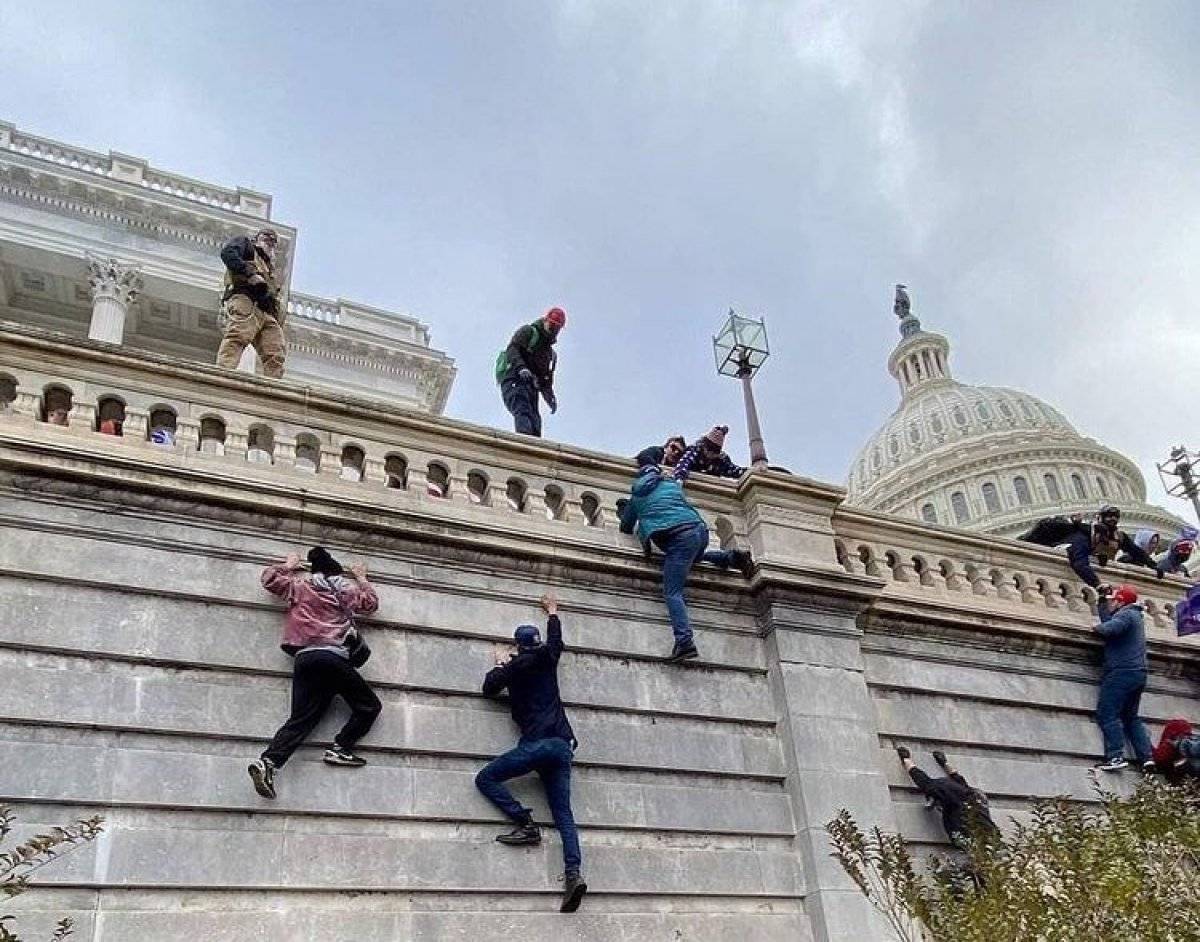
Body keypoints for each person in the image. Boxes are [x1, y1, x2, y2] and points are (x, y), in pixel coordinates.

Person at [475, 592, 587, 914]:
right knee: (564, 815)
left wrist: (500, 662)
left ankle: (525, 822)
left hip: (536, 745)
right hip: (562, 748)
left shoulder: (515, 666)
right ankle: (573, 875)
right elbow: (556, 640)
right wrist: (552, 612)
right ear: (536, 642)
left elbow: (488, 688)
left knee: (486, 778)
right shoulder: (548, 657)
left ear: (518, 645)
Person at [248, 547, 381, 800]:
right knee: (368, 706)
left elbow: (269, 579)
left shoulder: (299, 587)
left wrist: (288, 564)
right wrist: (362, 577)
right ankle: (341, 747)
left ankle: (269, 762)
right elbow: (371, 603)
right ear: (337, 572)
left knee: (303, 718)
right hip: (332, 657)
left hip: (304, 659)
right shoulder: (345, 591)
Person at [619, 428, 754, 661]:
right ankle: (733, 558)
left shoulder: (637, 495)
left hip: (680, 538)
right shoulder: (670, 484)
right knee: (688, 558)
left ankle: (684, 641)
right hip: (698, 531)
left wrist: (627, 512)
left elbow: (624, 527)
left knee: (673, 591)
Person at [1091, 584, 1154, 773]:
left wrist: (1097, 628)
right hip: (1138, 673)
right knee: (1130, 716)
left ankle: (1115, 756)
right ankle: (1146, 757)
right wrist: (1102, 601)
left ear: (1121, 601)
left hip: (1122, 671)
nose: (1112, 604)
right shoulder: (1134, 615)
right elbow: (1112, 619)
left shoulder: (1127, 615)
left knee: (1107, 713)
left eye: (1113, 600)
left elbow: (1111, 628)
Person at [1018, 505, 1159, 587]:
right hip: (1061, 553)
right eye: (1109, 516)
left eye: (1115, 516)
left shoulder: (1119, 537)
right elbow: (1079, 563)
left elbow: (1135, 551)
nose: (1113, 519)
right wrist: (1097, 584)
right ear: (1100, 518)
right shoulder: (1084, 534)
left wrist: (1153, 565)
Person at [895, 746, 1000, 849]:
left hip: (975, 842)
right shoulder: (967, 791)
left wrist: (906, 759)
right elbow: (955, 775)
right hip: (992, 838)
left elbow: (920, 778)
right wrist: (944, 762)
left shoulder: (937, 790)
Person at [216, 228, 285, 378]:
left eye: (273, 241)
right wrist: (250, 274)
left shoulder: (270, 269)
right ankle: (222, 375)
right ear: (257, 238)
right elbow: (228, 254)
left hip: (266, 312)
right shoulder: (246, 245)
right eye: (267, 237)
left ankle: (273, 389)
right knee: (237, 337)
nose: (270, 242)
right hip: (246, 299)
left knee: (276, 351)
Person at [495, 307, 565, 437]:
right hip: (514, 379)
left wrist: (550, 397)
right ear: (546, 320)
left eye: (557, 328)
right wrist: (522, 368)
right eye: (552, 325)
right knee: (522, 410)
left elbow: (545, 379)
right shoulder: (528, 332)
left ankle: (534, 445)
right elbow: (513, 349)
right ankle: (524, 444)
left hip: (531, 386)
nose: (554, 330)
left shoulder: (549, 354)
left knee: (535, 420)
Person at [636, 429, 746, 480]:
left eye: (679, 452)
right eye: (673, 448)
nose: (675, 453)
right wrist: (660, 472)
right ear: (666, 447)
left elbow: (734, 471)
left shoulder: (721, 461)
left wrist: (750, 471)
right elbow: (644, 457)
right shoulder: (656, 452)